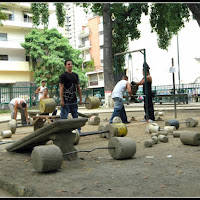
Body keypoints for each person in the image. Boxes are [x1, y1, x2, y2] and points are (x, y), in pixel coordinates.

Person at [59, 59, 82, 133]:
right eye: (68, 64)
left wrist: (81, 99)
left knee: (75, 115)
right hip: (65, 100)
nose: (70, 65)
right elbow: (61, 88)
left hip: (74, 99)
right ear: (65, 66)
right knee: (64, 116)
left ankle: (78, 132)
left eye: (71, 64)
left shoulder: (75, 75)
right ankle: (63, 132)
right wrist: (62, 100)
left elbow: (78, 88)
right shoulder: (63, 76)